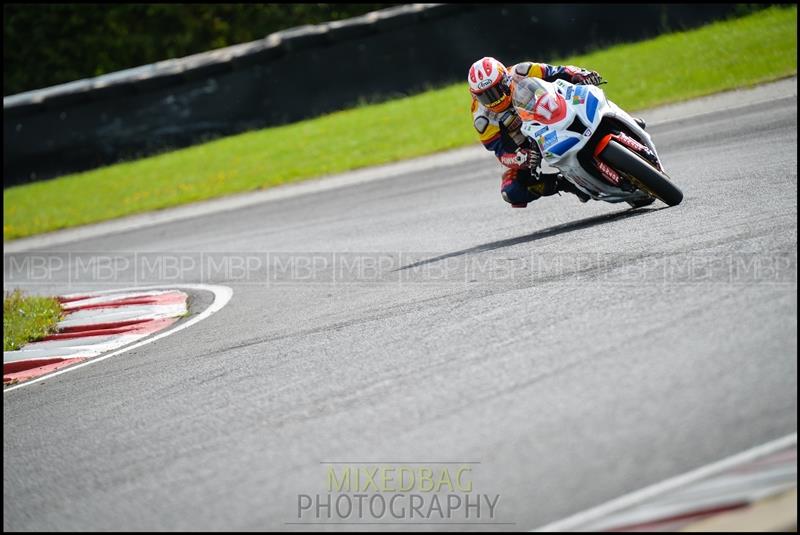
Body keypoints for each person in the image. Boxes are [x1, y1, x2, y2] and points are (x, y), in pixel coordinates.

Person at [468, 56, 605, 208]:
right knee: (511, 191)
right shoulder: (482, 119)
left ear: (505, 80)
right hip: (527, 142)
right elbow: (501, 153)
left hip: (552, 110)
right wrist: (520, 158)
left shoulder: (521, 71)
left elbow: (558, 71)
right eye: (484, 96)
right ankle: (567, 184)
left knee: (591, 96)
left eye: (495, 91)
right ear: (475, 95)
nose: (492, 100)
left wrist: (581, 74)